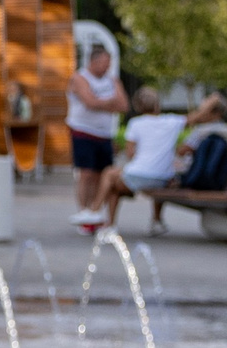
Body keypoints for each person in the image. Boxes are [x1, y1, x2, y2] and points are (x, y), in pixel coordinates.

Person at [94, 86, 186, 233]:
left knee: (110, 176)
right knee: (154, 174)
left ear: (138, 106)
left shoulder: (136, 123)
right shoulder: (172, 121)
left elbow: (130, 153)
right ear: (157, 105)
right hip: (163, 178)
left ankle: (98, 214)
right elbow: (198, 117)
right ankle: (156, 221)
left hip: (139, 176)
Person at [66, 40, 127, 228]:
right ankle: (84, 211)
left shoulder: (112, 80)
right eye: (104, 63)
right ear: (93, 61)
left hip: (104, 133)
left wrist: (102, 102)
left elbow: (123, 105)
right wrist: (110, 103)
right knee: (86, 173)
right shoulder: (79, 78)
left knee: (103, 174)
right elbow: (89, 102)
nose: (107, 67)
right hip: (83, 131)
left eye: (109, 64)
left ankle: (96, 211)